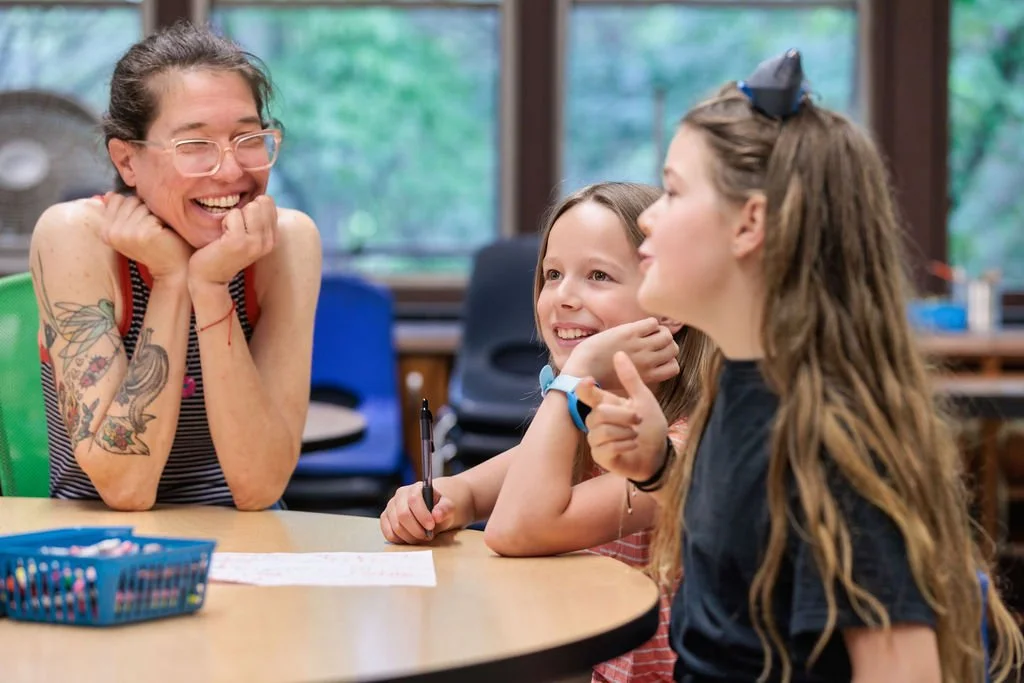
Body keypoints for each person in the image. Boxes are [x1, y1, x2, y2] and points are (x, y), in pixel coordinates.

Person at [576, 50, 1024, 682]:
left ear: (750, 223)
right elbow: (760, 540)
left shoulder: (830, 441)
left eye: (674, 191)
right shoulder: (743, 379)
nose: (649, 215)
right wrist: (659, 469)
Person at [380, 181, 714, 682]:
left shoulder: (682, 450)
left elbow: (517, 528)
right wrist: (439, 500)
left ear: (668, 306)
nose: (562, 297)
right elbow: (473, 492)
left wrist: (573, 376)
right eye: (552, 274)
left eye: (598, 275)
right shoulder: (588, 416)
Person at [29, 21, 322, 512]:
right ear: (127, 161)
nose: (231, 171)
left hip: (246, 544)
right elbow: (125, 488)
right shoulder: (75, 236)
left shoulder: (285, 243)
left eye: (248, 138)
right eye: (195, 146)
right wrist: (169, 282)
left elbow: (259, 487)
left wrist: (208, 285)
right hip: (102, 546)